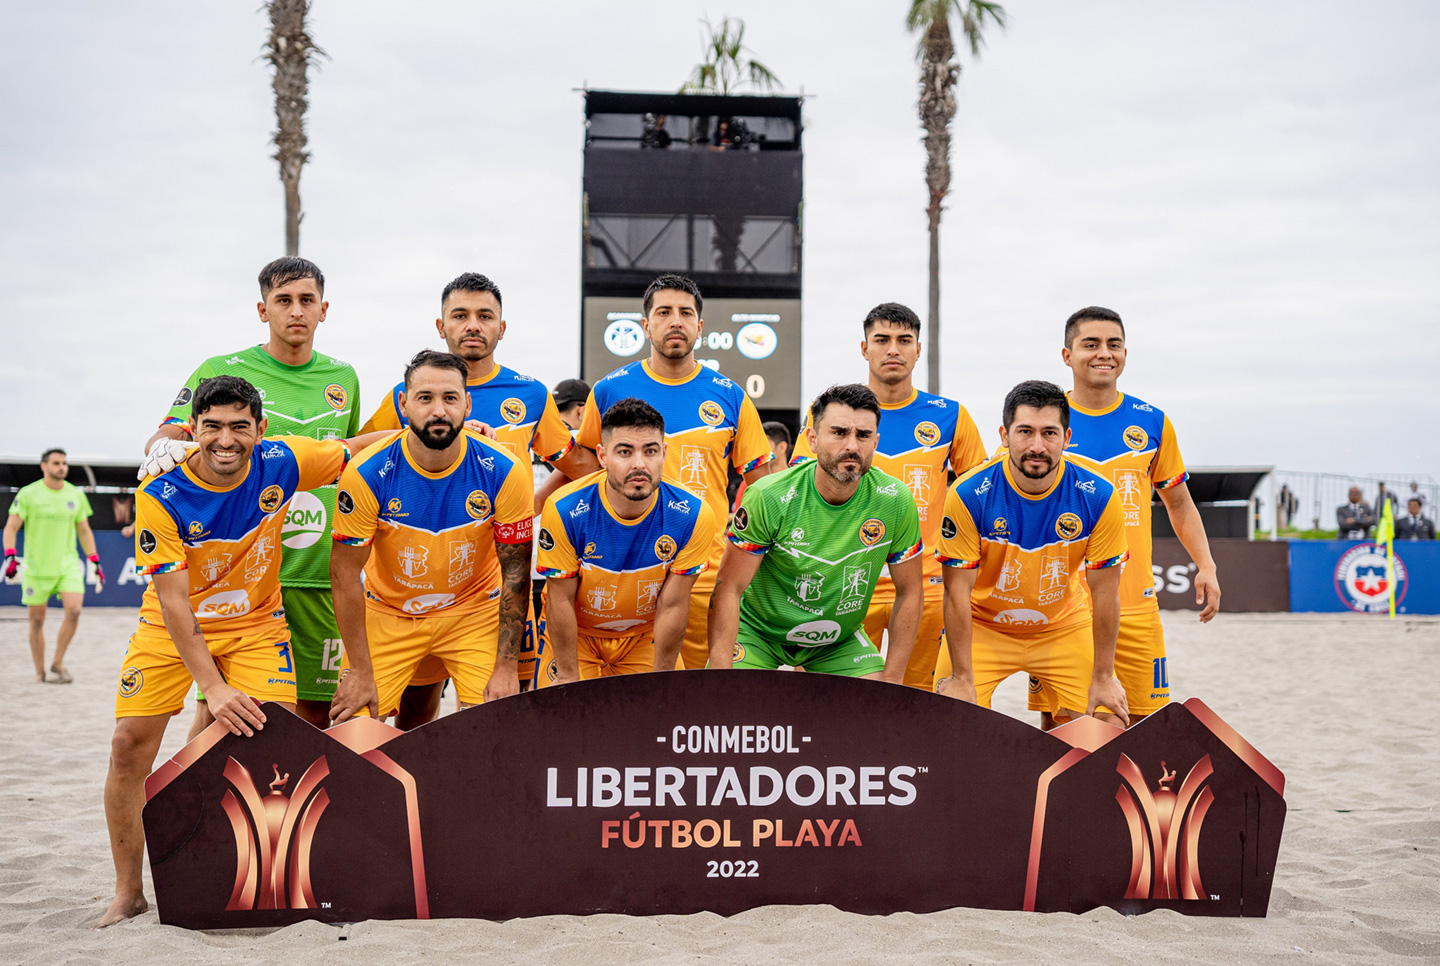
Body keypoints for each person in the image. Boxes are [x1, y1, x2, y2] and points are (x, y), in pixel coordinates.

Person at [98, 375, 355, 927]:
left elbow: (357, 448)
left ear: (261, 430)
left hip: (256, 625)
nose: (225, 439)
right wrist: (212, 687)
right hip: (170, 627)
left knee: (264, 741)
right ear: (192, 429)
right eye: (211, 426)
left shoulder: (284, 461)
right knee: (126, 746)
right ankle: (128, 893)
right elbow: (174, 605)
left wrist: (428, 432)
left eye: (240, 426)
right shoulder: (159, 493)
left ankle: (237, 872)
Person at [140, 256, 360, 734]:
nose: (296, 310)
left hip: (316, 568)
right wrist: (161, 448)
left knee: (314, 711)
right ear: (263, 309)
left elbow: (351, 457)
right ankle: (200, 788)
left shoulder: (344, 378)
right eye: (283, 300)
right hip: (236, 576)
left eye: (307, 300)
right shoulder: (220, 369)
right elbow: (170, 434)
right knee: (220, 713)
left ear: (324, 309)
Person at [360, 273, 597, 717]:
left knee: (503, 710)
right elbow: (362, 457)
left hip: (497, 589)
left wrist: (534, 504)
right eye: (460, 315)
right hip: (415, 587)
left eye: (485, 316)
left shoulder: (529, 394)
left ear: (501, 328)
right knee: (416, 713)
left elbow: (578, 466)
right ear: (441, 326)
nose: (473, 325)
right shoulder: (406, 396)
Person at [1025, 306, 1220, 727]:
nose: (1103, 353)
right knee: (1067, 731)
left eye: (1113, 344)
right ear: (1067, 355)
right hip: (1064, 609)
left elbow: (1179, 504)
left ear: (1125, 354)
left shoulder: (1151, 422)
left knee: (1142, 729)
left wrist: (1205, 565)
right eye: (1090, 344)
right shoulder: (1043, 422)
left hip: (1136, 606)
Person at [571, 274, 776, 669]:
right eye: (664, 312)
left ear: (701, 326)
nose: (676, 321)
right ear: (646, 325)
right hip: (623, 569)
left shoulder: (731, 395)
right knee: (630, 696)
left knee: (701, 694)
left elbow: (764, 491)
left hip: (704, 572)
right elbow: (585, 473)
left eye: (686, 313)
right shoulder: (609, 389)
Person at [328, 351, 535, 724]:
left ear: (467, 404)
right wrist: (359, 670)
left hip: (473, 611)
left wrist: (506, 668)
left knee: (498, 730)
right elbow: (344, 575)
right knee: (353, 732)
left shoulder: (505, 469)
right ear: (403, 404)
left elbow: (516, 575)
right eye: (425, 398)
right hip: (389, 611)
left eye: (450, 398)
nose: (439, 410)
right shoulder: (366, 472)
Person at [789, 303, 987, 689]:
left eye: (904, 340)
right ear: (865, 348)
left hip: (923, 585)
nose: (893, 349)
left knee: (915, 702)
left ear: (918, 349)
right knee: (829, 702)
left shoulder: (950, 415)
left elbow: (979, 495)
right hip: (842, 581)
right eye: (881, 340)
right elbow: (800, 491)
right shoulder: (830, 415)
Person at [934, 380, 1130, 728]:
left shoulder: (1098, 495)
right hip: (984, 624)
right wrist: (962, 677)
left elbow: (1105, 592)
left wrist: (1103, 675)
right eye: (1025, 432)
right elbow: (956, 591)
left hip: (1062, 624)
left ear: (1067, 438)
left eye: (1049, 433)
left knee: (1108, 722)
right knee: (949, 721)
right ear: (1004, 436)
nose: (1037, 446)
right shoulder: (968, 493)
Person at [708, 384, 924, 680]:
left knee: (877, 705)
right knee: (731, 704)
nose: (852, 446)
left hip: (838, 642)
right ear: (812, 439)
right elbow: (728, 589)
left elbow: (910, 592)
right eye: (839, 433)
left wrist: (893, 680)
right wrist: (720, 679)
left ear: (875, 441)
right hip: (758, 632)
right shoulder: (767, 496)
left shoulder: (895, 500)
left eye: (863, 435)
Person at [535, 398, 715, 683]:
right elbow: (561, 599)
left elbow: (673, 605)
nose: (639, 464)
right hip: (577, 635)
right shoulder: (564, 508)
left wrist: (662, 681)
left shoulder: (693, 514)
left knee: (663, 707)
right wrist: (568, 676)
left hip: (643, 637)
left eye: (650, 451)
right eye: (624, 452)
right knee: (564, 708)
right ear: (602, 456)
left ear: (664, 453)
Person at [4, 448, 102, 683]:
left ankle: (57, 662)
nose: (62, 467)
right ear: (44, 466)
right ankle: (40, 673)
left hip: (67, 566)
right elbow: (11, 528)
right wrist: (10, 556)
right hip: (36, 568)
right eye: (56, 463)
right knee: (36, 621)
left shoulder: (75, 495)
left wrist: (94, 560)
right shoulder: (28, 494)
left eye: (64, 463)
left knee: (75, 611)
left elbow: (84, 531)